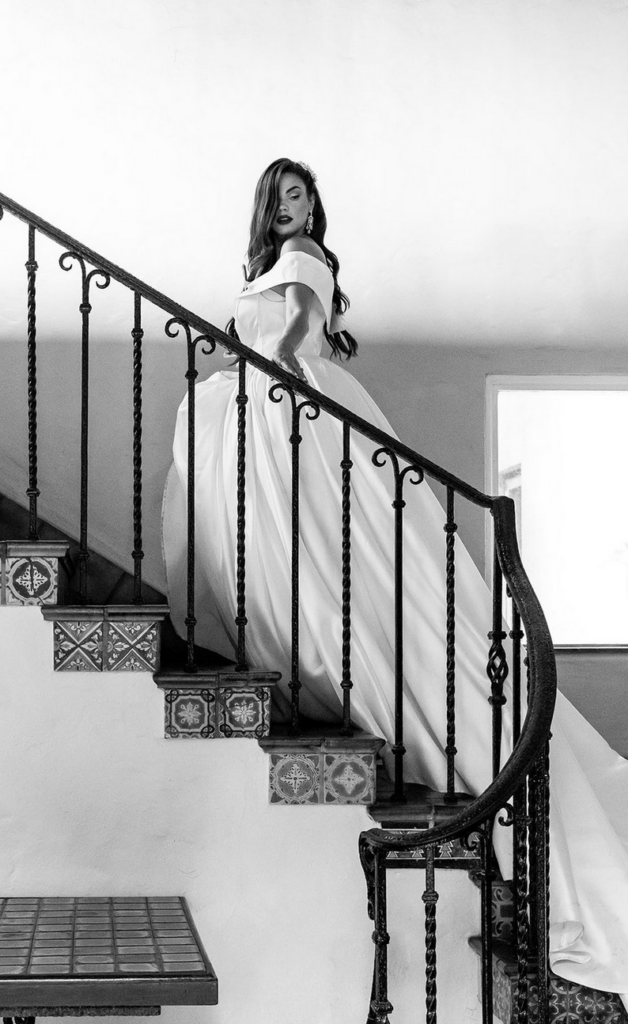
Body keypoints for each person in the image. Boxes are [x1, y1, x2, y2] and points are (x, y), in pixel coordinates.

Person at [162, 158, 628, 1006]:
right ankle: (285, 643)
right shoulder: (269, 261)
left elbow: (300, 324)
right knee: (305, 548)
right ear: (267, 205)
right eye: (282, 196)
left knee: (349, 555)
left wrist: (280, 371)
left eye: (301, 194)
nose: (292, 207)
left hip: (286, 396)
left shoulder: (302, 257)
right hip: (271, 395)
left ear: (311, 207)